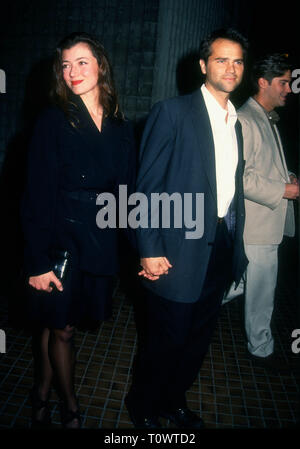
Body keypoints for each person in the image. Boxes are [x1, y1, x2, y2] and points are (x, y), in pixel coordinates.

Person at [125, 28, 248, 429]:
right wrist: (148, 247)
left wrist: (236, 248)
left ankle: (174, 401)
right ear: (202, 65)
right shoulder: (172, 112)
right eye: (221, 59)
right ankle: (144, 407)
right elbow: (147, 187)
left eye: (237, 61)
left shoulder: (238, 124)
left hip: (220, 251)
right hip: (175, 252)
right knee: (165, 341)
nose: (230, 68)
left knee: (196, 342)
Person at [21, 32, 136, 428]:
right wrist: (36, 261)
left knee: (60, 322)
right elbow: (35, 194)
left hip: (99, 241)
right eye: (65, 65)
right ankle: (69, 406)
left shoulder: (121, 126)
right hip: (59, 240)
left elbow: (127, 194)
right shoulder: (54, 119)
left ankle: (39, 389)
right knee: (63, 328)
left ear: (100, 65)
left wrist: (141, 248)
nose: (72, 72)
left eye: (81, 62)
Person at [237, 53, 298, 370]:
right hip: (257, 227)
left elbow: (261, 168)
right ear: (264, 83)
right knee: (261, 293)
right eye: (284, 82)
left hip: (263, 225)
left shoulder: (265, 117)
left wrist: (285, 178)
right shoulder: (247, 119)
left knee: (239, 284)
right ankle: (261, 350)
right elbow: (241, 178)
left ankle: (193, 305)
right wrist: (283, 191)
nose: (290, 88)